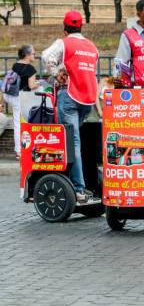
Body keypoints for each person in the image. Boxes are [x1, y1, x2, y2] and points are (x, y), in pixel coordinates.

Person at [41, 11, 99, 202]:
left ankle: (78, 188)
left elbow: (46, 56)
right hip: (87, 100)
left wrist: (56, 72)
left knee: (73, 143)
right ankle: (84, 181)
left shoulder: (63, 43)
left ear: (65, 29)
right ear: (81, 27)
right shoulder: (92, 47)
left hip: (69, 96)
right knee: (78, 141)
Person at [4, 44, 39, 159]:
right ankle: (20, 151)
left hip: (9, 95)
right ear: (27, 55)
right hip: (19, 98)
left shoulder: (15, 65)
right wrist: (39, 83)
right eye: (33, 53)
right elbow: (31, 85)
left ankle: (19, 150)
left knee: (16, 123)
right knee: (21, 124)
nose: (35, 55)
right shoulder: (31, 69)